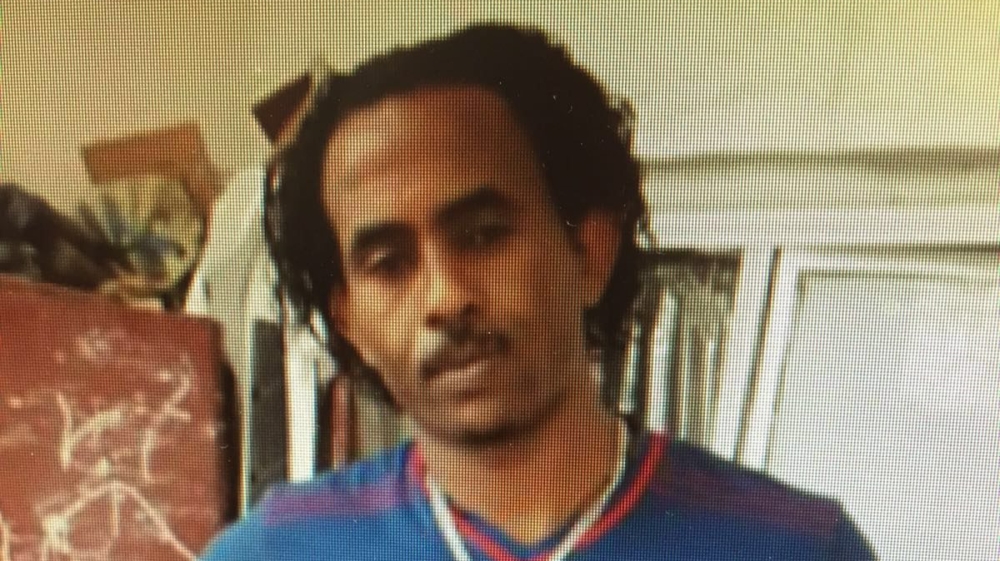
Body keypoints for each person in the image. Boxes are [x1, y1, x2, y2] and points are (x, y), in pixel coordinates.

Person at [200, 24, 875, 560]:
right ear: (348, 320)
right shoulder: (275, 553)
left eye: (482, 235)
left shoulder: (791, 546)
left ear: (589, 253)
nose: (444, 297)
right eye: (388, 263)